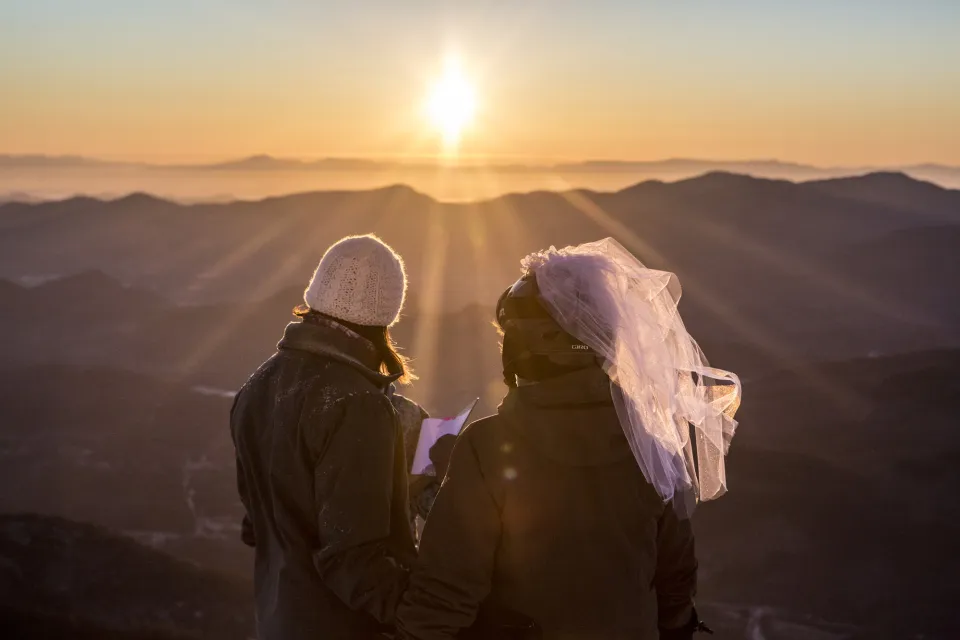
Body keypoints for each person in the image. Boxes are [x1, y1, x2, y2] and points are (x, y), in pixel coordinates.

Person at [396, 238, 741, 640]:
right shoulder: (650, 445)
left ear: (521, 347)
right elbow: (676, 581)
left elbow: (446, 591)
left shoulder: (487, 446)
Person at [231, 234, 418, 640]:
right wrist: (436, 618)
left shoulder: (257, 386)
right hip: (342, 626)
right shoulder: (358, 404)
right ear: (386, 314)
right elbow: (354, 561)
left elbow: (255, 525)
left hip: (278, 620)